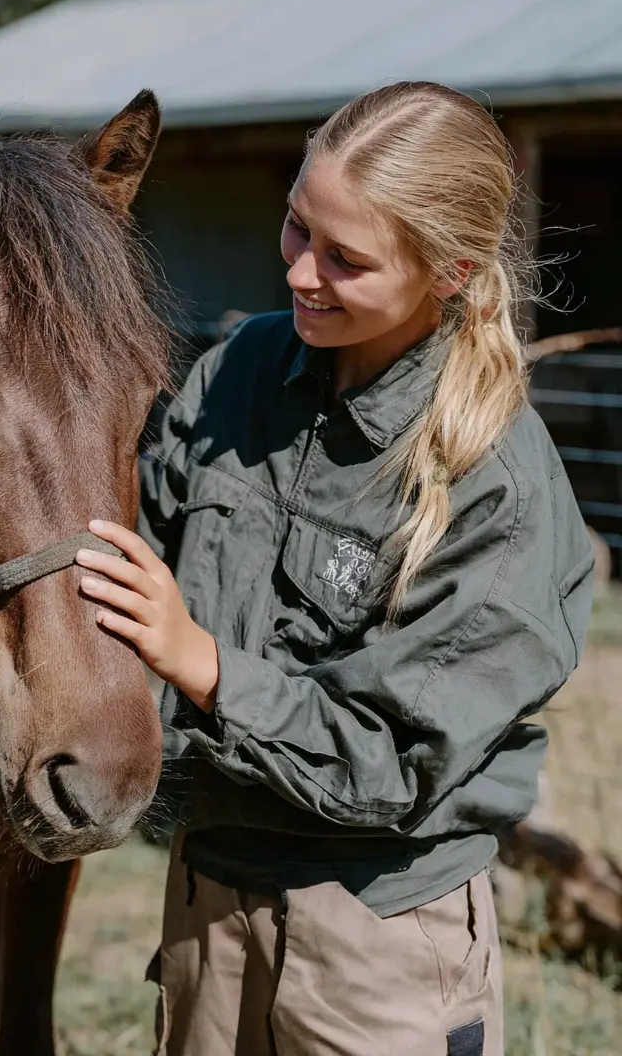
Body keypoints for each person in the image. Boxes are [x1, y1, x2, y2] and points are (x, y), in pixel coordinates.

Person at [74, 81, 593, 1056]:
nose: (302, 274)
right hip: (207, 895)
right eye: (295, 226)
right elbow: (128, 550)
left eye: (346, 258)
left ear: (451, 270)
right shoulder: (239, 370)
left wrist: (202, 661)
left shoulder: (491, 483)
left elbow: (392, 761)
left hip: (377, 934)